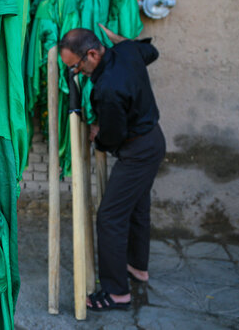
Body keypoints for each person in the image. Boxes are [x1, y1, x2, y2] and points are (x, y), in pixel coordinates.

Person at [59, 25, 166, 311]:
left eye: (77, 67)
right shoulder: (128, 51)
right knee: (137, 207)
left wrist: (98, 134)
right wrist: (124, 41)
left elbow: (112, 137)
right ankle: (137, 268)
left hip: (138, 151)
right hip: (153, 140)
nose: (77, 74)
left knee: (110, 217)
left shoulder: (107, 89)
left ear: (92, 53)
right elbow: (151, 51)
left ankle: (117, 293)